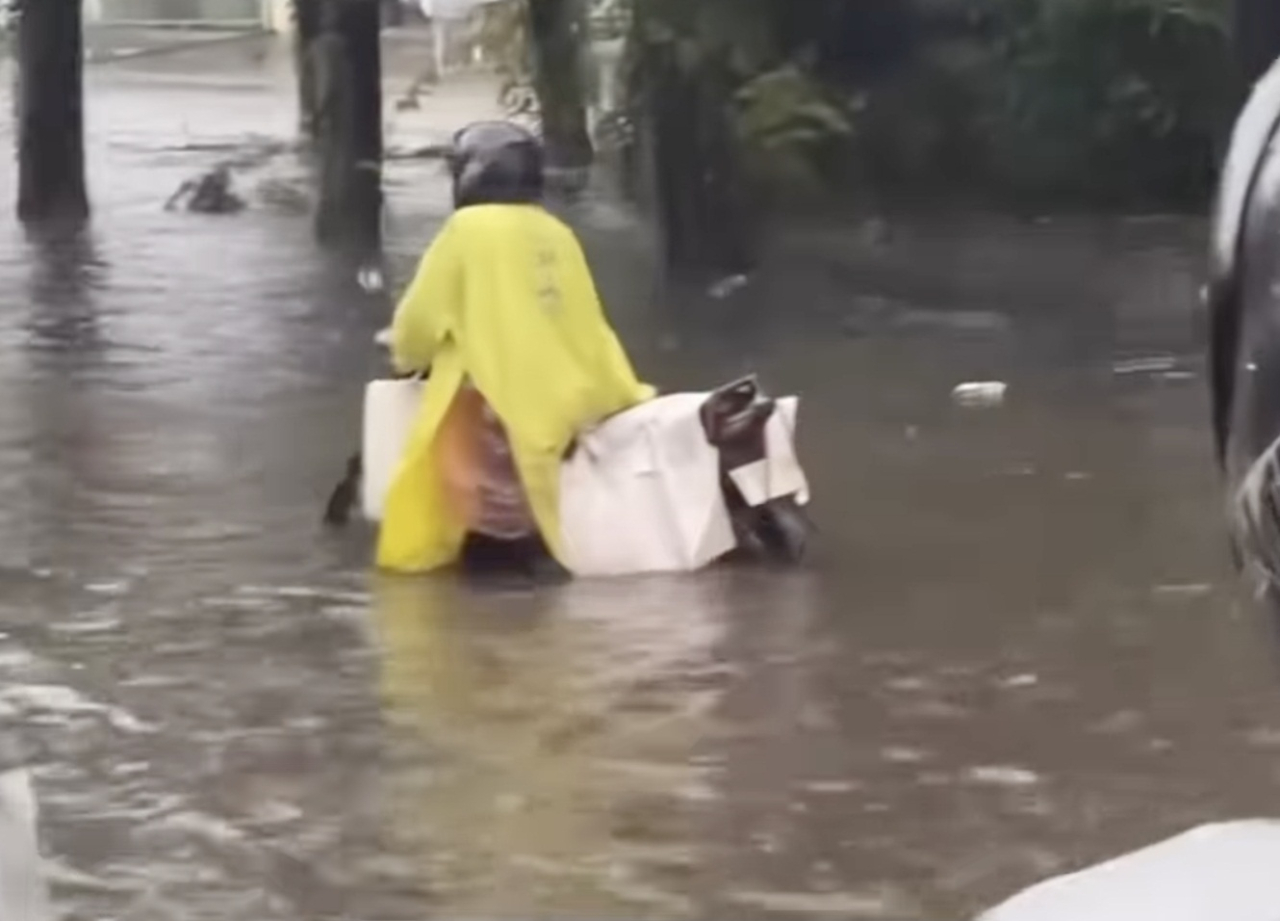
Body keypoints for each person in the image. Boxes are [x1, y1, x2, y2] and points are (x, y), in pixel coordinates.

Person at [377, 121, 655, 576]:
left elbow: (418, 325)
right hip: (570, 407)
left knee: (481, 563)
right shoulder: (557, 232)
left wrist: (404, 355)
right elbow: (587, 324)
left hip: (504, 412)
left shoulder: (466, 230)